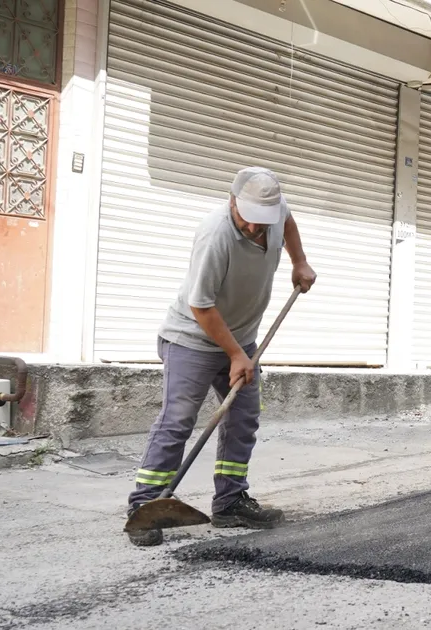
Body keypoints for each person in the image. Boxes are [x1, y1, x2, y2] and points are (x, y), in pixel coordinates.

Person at [126, 166, 317, 547]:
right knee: (177, 421)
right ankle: (144, 507)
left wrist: (299, 261)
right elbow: (201, 305)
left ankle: (229, 502)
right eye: (247, 221)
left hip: (242, 339)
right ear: (232, 202)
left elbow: (289, 222)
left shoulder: (274, 213)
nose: (253, 230)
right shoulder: (216, 235)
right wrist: (235, 355)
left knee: (242, 420)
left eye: (262, 223)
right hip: (192, 340)